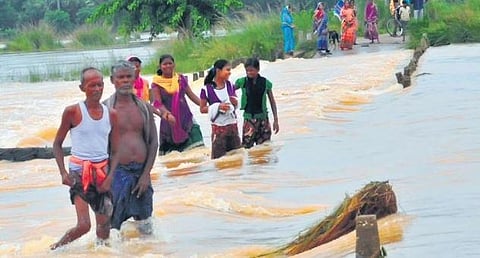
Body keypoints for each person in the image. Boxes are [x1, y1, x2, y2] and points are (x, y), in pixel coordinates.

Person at [51, 67, 120, 250]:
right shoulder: (72, 112)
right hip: (79, 173)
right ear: (82, 88)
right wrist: (63, 173)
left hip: (102, 173)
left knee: (104, 226)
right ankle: (56, 249)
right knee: (84, 225)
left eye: (100, 85)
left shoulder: (111, 114)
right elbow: (57, 144)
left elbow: (116, 150)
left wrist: (110, 177)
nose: (97, 89)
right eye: (92, 85)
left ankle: (101, 253)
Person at [103, 61, 158, 232]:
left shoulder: (144, 108)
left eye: (129, 77)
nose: (125, 81)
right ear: (113, 80)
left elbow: (153, 142)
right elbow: (98, 146)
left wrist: (145, 175)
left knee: (145, 223)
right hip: (117, 172)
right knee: (113, 223)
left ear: (135, 79)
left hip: (141, 170)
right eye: (121, 77)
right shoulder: (104, 109)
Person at [151, 54, 204, 155]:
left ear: (174, 65)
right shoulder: (156, 83)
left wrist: (205, 106)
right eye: (164, 64)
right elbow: (157, 103)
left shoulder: (180, 79)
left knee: (198, 153)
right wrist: (167, 114)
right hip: (169, 121)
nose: (167, 66)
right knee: (173, 158)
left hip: (185, 118)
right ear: (160, 66)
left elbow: (191, 95)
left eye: (170, 63)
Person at [199, 59, 241, 159]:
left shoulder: (230, 85)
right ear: (218, 71)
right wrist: (218, 107)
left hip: (232, 127)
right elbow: (202, 109)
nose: (229, 72)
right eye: (227, 70)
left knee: (237, 158)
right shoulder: (206, 89)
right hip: (218, 130)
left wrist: (235, 102)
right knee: (219, 161)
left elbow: (235, 103)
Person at [234, 58, 279, 149]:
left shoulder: (265, 83)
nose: (249, 73)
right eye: (247, 71)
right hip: (249, 119)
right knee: (247, 148)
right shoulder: (242, 82)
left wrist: (275, 120)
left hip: (263, 120)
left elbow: (272, 101)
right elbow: (229, 90)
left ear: (258, 69)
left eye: (251, 70)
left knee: (265, 148)